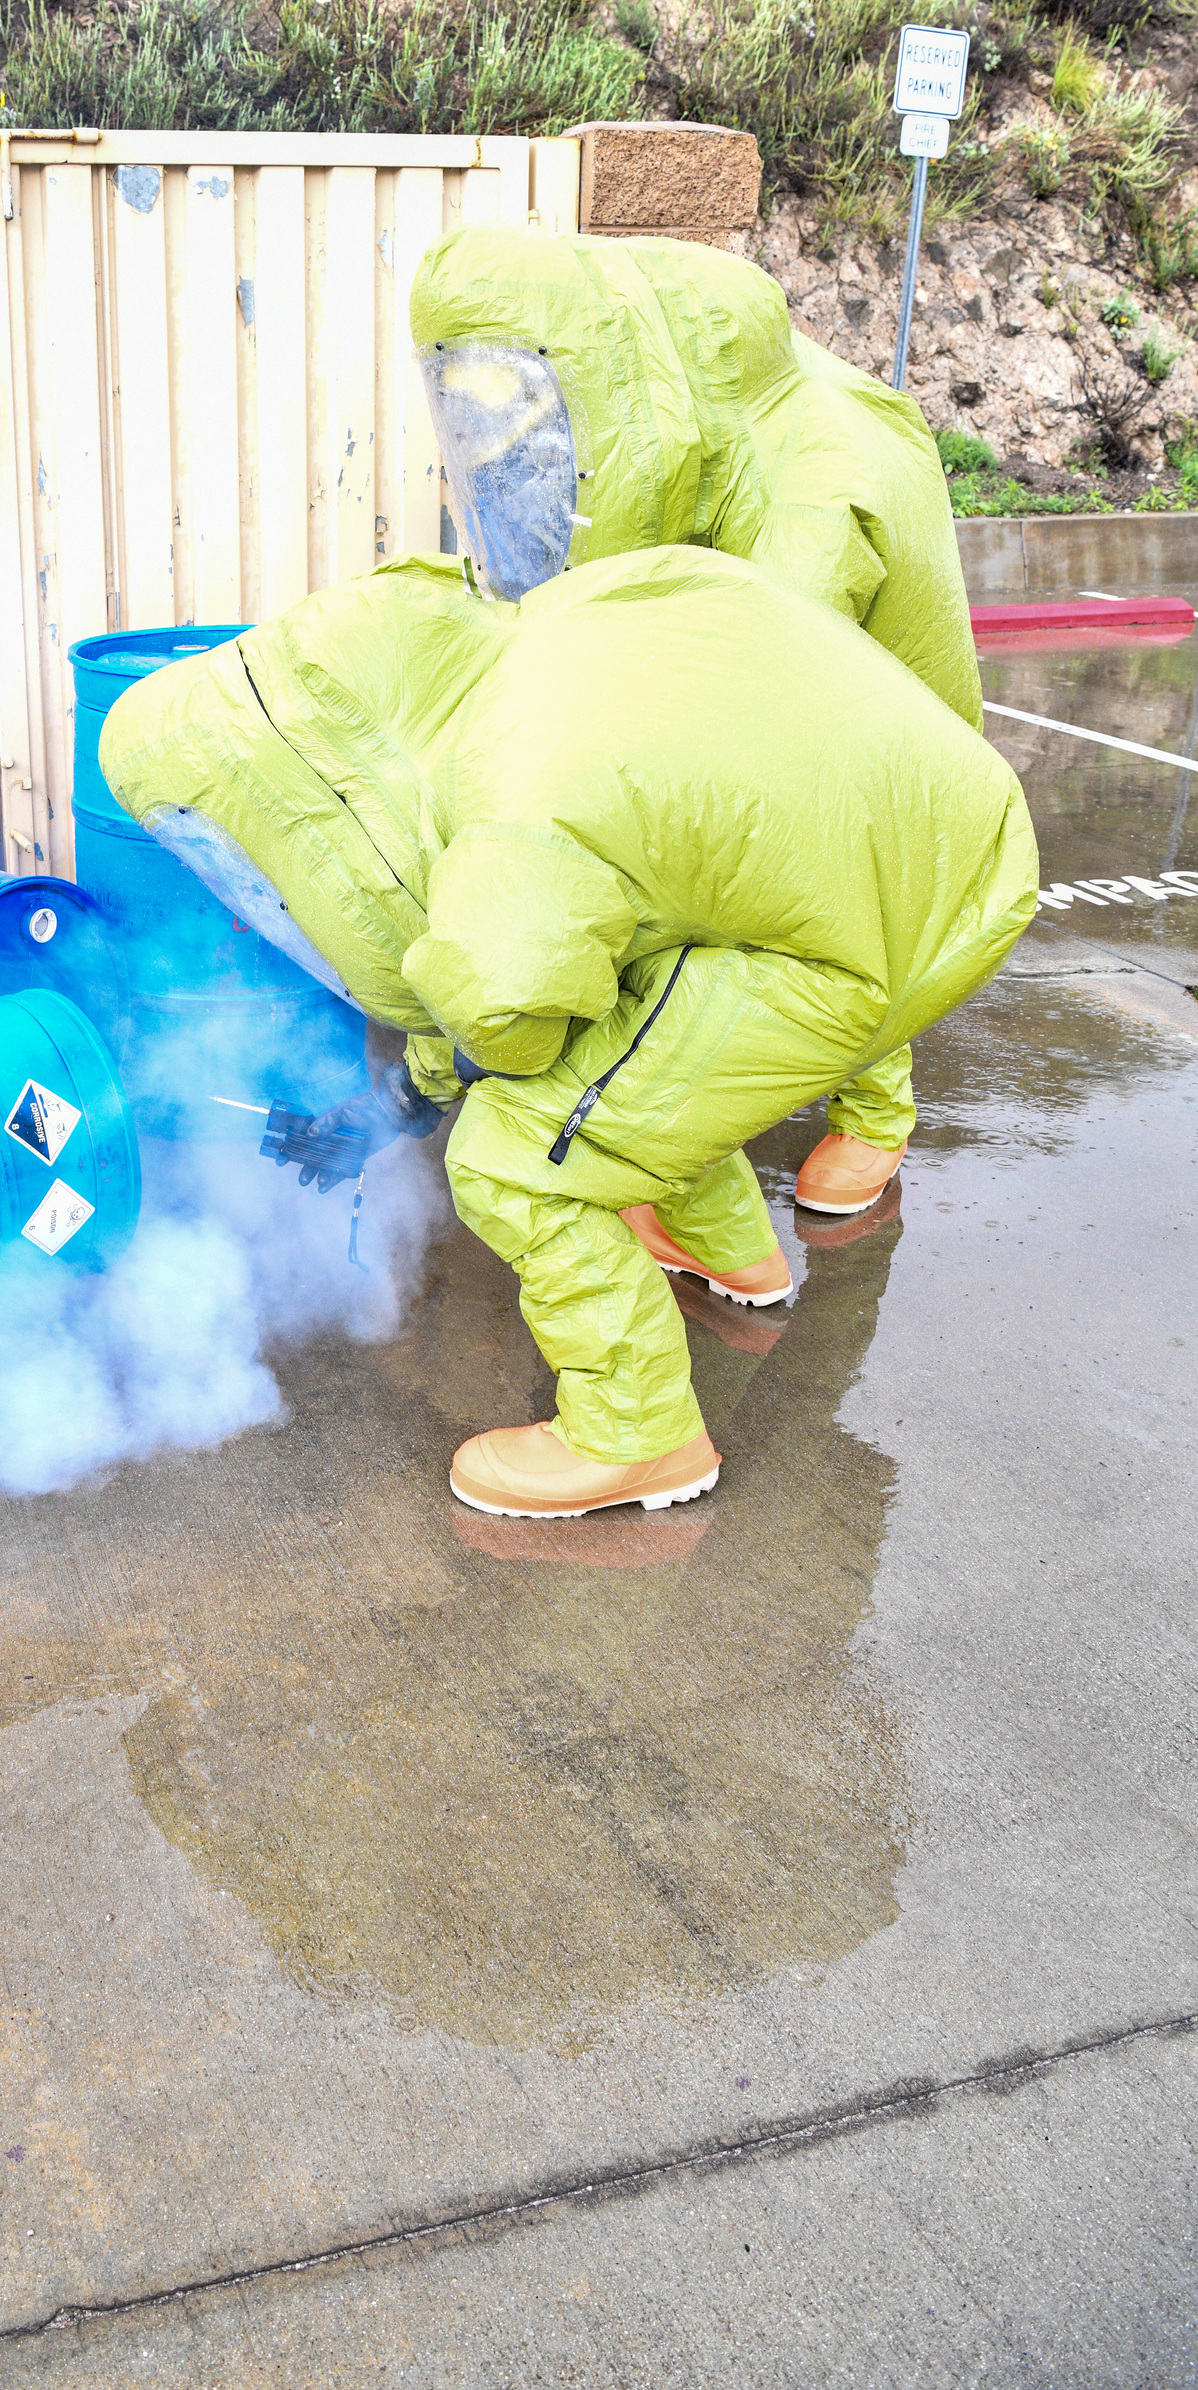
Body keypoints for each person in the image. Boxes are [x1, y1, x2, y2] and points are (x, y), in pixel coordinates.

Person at [100, 547, 1036, 1521]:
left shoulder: (509, 804)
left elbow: (503, 1010)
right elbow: (521, 948)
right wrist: (398, 1099)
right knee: (628, 1044)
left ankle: (638, 1435)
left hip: (886, 924)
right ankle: (722, 1247)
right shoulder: (523, 657)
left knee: (515, 1153)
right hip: (937, 836)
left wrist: (416, 1104)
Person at [411, 226, 982, 1218]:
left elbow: (726, 727)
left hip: (872, 688)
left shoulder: (811, 512)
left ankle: (876, 1109)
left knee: (844, 871)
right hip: (737, 560)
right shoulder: (628, 395)